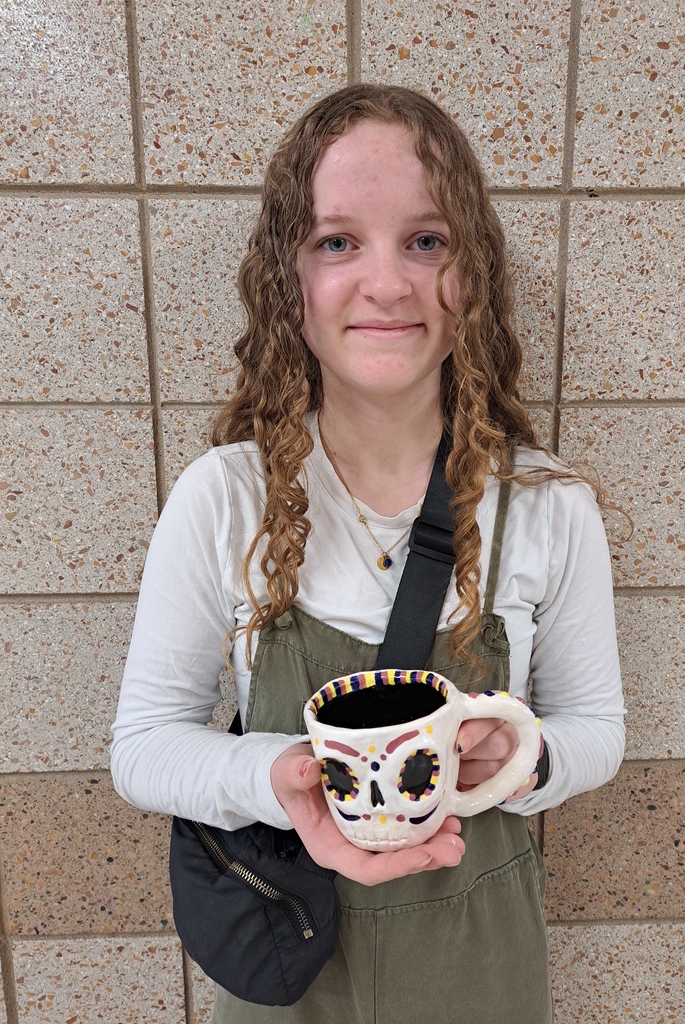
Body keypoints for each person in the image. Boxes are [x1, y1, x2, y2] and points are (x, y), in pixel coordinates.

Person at [111, 82, 625, 1024]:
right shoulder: (226, 497)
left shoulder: (547, 505)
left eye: (426, 242)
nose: (387, 284)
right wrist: (276, 779)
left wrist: (520, 758)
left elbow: (598, 728)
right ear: (288, 280)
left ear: (472, 276)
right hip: (288, 958)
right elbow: (143, 748)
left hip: (481, 966)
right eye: (337, 242)